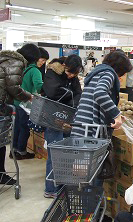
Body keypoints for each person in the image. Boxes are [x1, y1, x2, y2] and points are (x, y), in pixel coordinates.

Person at [43, 55, 83, 198]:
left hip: (67, 118)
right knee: (55, 153)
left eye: (74, 74)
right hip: (53, 116)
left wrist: (71, 95)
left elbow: (79, 93)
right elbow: (52, 92)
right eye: (69, 72)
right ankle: (51, 189)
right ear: (64, 65)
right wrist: (71, 95)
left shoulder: (73, 77)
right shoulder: (53, 72)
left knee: (66, 152)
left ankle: (62, 185)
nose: (71, 76)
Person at [71, 51, 132, 138]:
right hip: (90, 128)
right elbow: (99, 93)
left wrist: (112, 113)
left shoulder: (97, 72)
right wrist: (116, 114)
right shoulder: (109, 73)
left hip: (80, 123)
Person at [0, 49, 32, 185]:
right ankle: (1, 175)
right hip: (1, 107)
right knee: (1, 142)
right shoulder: (16, 63)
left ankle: (1, 173)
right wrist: (29, 96)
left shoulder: (4, 60)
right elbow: (14, 87)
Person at [12, 44, 43, 160]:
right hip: (26, 104)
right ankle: (21, 151)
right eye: (42, 59)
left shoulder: (20, 68)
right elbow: (39, 87)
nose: (43, 62)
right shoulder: (35, 71)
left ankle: (14, 150)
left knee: (17, 127)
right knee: (25, 128)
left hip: (15, 102)